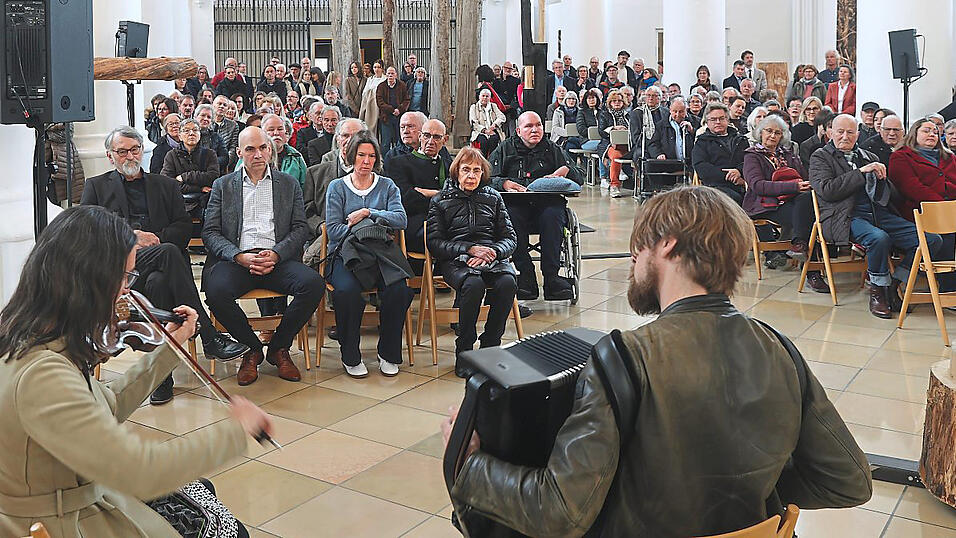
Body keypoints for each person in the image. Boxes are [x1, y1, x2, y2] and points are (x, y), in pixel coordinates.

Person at [443, 185, 872, 538]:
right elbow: (848, 481)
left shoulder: (624, 357)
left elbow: (561, 513)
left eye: (637, 248)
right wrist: (747, 490)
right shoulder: (780, 347)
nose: (633, 260)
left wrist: (471, 465)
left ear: (666, 245)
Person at [0, 205, 273, 538]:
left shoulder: (39, 338)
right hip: (66, 522)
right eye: (125, 277)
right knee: (227, 530)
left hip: (80, 497)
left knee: (201, 492)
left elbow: (108, 403)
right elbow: (140, 472)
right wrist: (234, 431)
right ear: (90, 279)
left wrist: (170, 348)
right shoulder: (43, 374)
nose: (128, 290)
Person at [81, 126, 248, 404]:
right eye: (122, 151)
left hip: (162, 269)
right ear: (111, 157)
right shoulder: (96, 186)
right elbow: (87, 231)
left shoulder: (165, 185)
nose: (129, 156)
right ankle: (209, 336)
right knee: (169, 254)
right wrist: (131, 237)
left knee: (163, 271)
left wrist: (155, 239)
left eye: (134, 150)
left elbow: (184, 228)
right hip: (119, 271)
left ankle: (161, 378)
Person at [202, 126, 323, 385]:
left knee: (313, 284)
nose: (258, 154)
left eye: (263, 148)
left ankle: (279, 347)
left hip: (277, 259)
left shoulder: (288, 184)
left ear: (270, 150)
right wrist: (237, 256)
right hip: (238, 260)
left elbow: (301, 228)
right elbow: (210, 232)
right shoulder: (223, 186)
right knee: (215, 290)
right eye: (250, 149)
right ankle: (251, 349)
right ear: (238, 153)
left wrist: (277, 254)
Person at [809, 114, 943, 318]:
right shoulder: (820, 156)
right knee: (879, 238)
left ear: (858, 134)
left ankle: (894, 283)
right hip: (845, 216)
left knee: (931, 240)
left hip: (879, 213)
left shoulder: (868, 156)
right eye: (840, 132)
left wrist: (884, 181)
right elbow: (828, 190)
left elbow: (891, 197)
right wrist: (861, 173)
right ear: (830, 133)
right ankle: (878, 291)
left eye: (850, 132)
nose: (845, 136)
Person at [324, 131, 414, 378]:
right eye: (361, 155)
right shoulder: (337, 187)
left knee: (399, 290)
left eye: (371, 156)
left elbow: (401, 219)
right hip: (346, 254)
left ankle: (388, 352)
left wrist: (367, 213)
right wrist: (370, 230)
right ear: (351, 156)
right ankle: (350, 354)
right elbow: (333, 230)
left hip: (381, 254)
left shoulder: (387, 185)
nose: (366, 161)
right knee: (346, 292)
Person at [427, 147, 517, 371]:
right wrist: (469, 249)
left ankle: (490, 347)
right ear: (456, 172)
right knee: (473, 284)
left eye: (476, 171)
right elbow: (435, 242)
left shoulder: (493, 198)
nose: (471, 176)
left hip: (491, 258)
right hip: (456, 260)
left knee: (508, 283)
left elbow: (510, 237)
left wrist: (493, 252)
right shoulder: (440, 200)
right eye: (466, 170)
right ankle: (465, 351)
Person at [488, 111, 582, 300]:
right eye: (529, 126)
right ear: (519, 130)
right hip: (516, 205)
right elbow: (487, 178)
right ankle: (526, 276)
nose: (535, 130)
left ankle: (552, 277)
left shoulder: (553, 149)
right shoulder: (505, 149)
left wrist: (567, 170)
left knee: (553, 216)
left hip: (547, 205)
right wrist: (504, 183)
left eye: (538, 125)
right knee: (510, 218)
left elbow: (579, 176)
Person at [742, 115, 814, 266]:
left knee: (808, 201)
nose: (772, 136)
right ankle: (810, 266)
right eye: (769, 131)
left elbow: (803, 176)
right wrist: (794, 187)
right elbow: (758, 185)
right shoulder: (752, 156)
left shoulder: (788, 154)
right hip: (764, 204)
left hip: (791, 200)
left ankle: (800, 246)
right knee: (809, 216)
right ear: (761, 132)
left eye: (777, 133)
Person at [385, 118, 451, 261]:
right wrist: (443, 195)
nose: (430, 141)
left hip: (448, 223)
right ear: (420, 136)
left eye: (437, 137)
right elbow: (407, 200)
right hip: (417, 226)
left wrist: (429, 193)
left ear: (445, 140)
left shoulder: (449, 165)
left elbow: (457, 195)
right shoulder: (399, 163)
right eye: (427, 135)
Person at [304, 119, 366, 244]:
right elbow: (306, 211)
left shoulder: (377, 173)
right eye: (345, 136)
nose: (350, 141)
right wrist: (322, 227)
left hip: (365, 238)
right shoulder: (315, 174)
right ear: (337, 139)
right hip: (327, 239)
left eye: (356, 136)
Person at [889, 118, 956, 220]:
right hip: (921, 212)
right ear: (914, 134)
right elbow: (912, 188)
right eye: (926, 131)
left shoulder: (949, 157)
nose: (932, 134)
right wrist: (943, 206)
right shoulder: (900, 156)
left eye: (935, 132)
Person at [161, 117, 220, 214]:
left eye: (195, 130)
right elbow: (167, 183)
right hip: (179, 201)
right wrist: (198, 188)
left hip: (205, 201)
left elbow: (213, 177)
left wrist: (184, 177)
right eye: (186, 131)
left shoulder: (210, 154)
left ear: (200, 135)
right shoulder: (171, 155)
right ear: (180, 136)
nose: (191, 133)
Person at [692, 103, 748, 205]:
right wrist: (729, 175)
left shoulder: (740, 140)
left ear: (727, 120)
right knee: (733, 199)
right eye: (713, 119)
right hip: (715, 186)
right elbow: (701, 168)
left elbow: (749, 161)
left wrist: (739, 171)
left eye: (721, 118)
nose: (718, 122)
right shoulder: (702, 142)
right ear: (707, 122)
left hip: (742, 183)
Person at [599, 90, 631, 197]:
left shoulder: (629, 115)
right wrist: (613, 128)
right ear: (610, 103)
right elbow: (601, 131)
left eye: (619, 101)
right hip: (610, 144)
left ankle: (638, 184)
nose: (617, 103)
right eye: (614, 101)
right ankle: (614, 185)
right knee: (616, 156)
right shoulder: (604, 114)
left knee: (639, 154)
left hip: (628, 144)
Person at [648, 96, 697, 163]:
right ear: (670, 110)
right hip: (669, 163)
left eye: (681, 111)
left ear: (686, 110)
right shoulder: (661, 125)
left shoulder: (696, 122)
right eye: (675, 111)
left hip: (691, 163)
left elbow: (702, 141)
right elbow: (653, 144)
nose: (677, 115)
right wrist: (658, 154)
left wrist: (692, 131)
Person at [375, 66, 409, 152]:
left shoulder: (402, 85)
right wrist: (391, 110)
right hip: (386, 117)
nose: (390, 75)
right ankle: (386, 162)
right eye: (389, 73)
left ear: (396, 75)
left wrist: (399, 109)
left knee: (399, 140)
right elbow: (380, 101)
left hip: (399, 117)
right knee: (386, 142)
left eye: (392, 73)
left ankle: (399, 159)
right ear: (386, 75)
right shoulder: (381, 86)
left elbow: (407, 100)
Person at [470, 88, 506, 157]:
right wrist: (485, 130)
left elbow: (502, 117)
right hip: (479, 132)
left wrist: (494, 125)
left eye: (487, 96)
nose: (485, 98)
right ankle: (483, 161)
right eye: (483, 96)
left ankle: (492, 161)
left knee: (494, 140)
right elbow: (473, 122)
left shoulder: (493, 106)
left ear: (489, 97)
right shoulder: (474, 107)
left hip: (493, 130)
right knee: (483, 142)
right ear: (479, 96)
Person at [194, 103, 230, 171]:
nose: (205, 119)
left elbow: (225, 158)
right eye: (203, 115)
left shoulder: (216, 137)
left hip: (212, 172)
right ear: (195, 117)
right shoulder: (188, 135)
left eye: (209, 117)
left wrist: (211, 162)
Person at [359, 61, 386, 137]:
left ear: (382, 69)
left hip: (381, 107)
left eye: (378, 67)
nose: (376, 69)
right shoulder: (370, 79)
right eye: (375, 67)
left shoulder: (385, 79)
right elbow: (364, 93)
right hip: (370, 107)